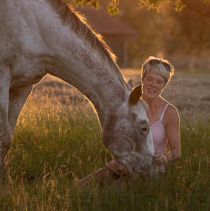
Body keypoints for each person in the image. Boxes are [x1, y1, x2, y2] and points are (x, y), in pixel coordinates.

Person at [76, 56, 181, 186]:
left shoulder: (170, 112)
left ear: (164, 85)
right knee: (81, 187)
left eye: (159, 82)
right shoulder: (130, 104)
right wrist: (120, 159)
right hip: (121, 166)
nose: (153, 85)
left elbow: (176, 152)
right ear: (143, 79)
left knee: (110, 197)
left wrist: (166, 157)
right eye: (149, 79)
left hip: (149, 171)